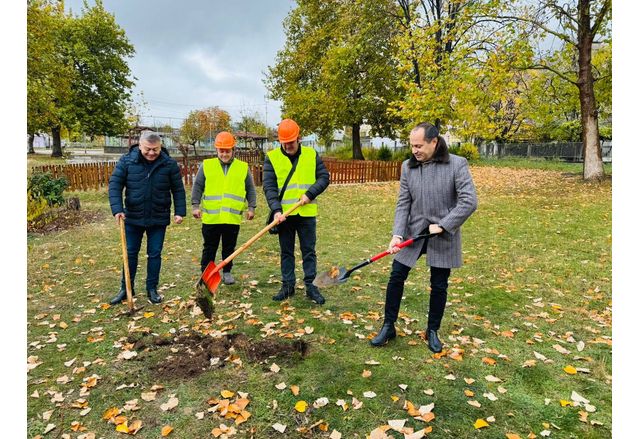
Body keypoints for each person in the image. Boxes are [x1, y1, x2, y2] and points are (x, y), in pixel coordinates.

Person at [370, 122, 478, 352]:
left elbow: (469, 201)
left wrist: (445, 225)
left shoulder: (457, 165)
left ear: (434, 142)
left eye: (419, 145)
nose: (415, 150)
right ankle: (389, 326)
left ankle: (432, 331)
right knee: (396, 276)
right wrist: (397, 234)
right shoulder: (408, 167)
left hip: (443, 234)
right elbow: (404, 203)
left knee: (439, 284)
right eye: (412, 146)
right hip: (413, 232)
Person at [108, 131, 186, 305]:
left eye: (155, 149)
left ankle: (152, 288)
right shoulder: (127, 161)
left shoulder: (169, 164)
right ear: (140, 146)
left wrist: (179, 211)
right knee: (130, 253)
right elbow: (115, 185)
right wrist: (117, 209)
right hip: (132, 217)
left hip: (158, 217)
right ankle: (126, 288)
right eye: (148, 149)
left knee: (155, 254)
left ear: (160, 147)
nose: (151, 153)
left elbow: (178, 189)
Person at [263, 118, 330, 304]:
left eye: (291, 143)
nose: (287, 146)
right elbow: (269, 187)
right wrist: (276, 210)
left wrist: (310, 194)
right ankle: (288, 286)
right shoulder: (272, 158)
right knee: (286, 252)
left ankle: (311, 286)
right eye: (284, 143)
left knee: (309, 251)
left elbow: (324, 177)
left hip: (306, 213)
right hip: (284, 215)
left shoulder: (311, 154)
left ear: (298, 138)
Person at [191, 131, 257, 284]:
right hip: (211, 218)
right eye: (221, 151)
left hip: (232, 218)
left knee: (229, 247)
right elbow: (198, 186)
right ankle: (206, 274)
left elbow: (250, 189)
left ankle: (227, 272)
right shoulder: (207, 166)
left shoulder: (242, 167)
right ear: (217, 150)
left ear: (233, 150)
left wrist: (251, 207)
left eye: (227, 151)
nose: (224, 154)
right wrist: (195, 206)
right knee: (209, 247)